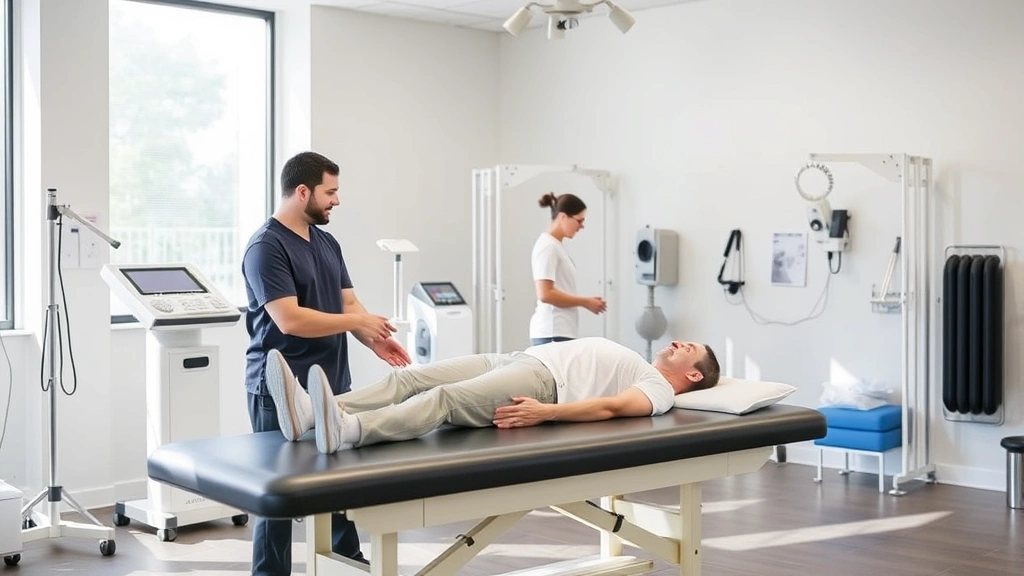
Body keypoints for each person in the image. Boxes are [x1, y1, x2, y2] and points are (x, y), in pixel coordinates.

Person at [242, 151, 412, 576]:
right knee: (278, 494)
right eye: (330, 192)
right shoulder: (266, 247)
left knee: (337, 482)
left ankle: (348, 563)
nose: (336, 200)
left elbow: (348, 302)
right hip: (279, 389)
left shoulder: (326, 242)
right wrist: (357, 321)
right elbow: (290, 319)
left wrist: (372, 338)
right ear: (303, 192)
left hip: (333, 381)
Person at [264, 337, 720, 455]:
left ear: (694, 376)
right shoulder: (646, 365)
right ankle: (313, 414)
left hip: (541, 384)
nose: (679, 343)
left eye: (688, 349)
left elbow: (612, 407)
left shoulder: (659, 389)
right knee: (412, 377)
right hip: (513, 359)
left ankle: (350, 431)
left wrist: (548, 412)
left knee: (445, 398)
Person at [529, 192, 608, 346]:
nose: (582, 226)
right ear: (563, 217)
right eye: (579, 220)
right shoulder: (548, 247)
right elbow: (545, 294)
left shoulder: (555, 246)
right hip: (552, 332)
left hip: (560, 331)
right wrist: (585, 302)